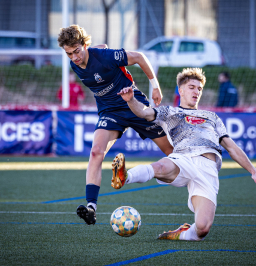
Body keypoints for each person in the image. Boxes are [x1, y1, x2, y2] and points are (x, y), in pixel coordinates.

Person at [113, 67, 256, 241]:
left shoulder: (212, 117)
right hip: (182, 159)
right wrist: (130, 101)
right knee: (160, 166)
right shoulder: (170, 112)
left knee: (202, 229)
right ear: (181, 90)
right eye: (191, 87)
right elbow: (144, 112)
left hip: (208, 170)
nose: (196, 91)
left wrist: (253, 170)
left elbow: (232, 147)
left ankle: (182, 233)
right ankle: (125, 177)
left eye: (199, 88)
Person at [57, 24, 173, 225]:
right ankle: (91, 208)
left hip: (134, 105)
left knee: (172, 152)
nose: (74, 57)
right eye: (69, 54)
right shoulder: (74, 64)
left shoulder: (104, 56)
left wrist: (155, 87)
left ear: (85, 45)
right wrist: (98, 48)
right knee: (95, 152)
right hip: (110, 112)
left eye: (77, 51)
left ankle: (193, 181)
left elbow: (138, 57)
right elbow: (95, 55)